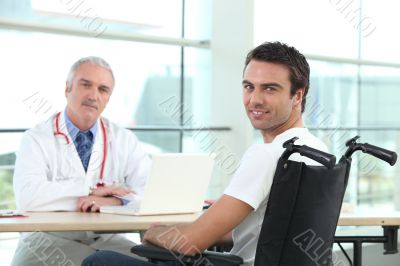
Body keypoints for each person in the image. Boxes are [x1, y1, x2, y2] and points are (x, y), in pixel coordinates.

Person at [82, 42, 328, 266]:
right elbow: (266, 231)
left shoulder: (268, 155)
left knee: (100, 260)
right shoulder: (319, 151)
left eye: (270, 89)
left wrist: (156, 232)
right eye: (248, 87)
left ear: (298, 95)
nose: (255, 99)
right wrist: (188, 230)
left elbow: (189, 243)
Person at [12, 56, 151, 266]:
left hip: (103, 239)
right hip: (46, 242)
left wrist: (114, 201)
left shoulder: (123, 139)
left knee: (150, 262)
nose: (93, 95)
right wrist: (88, 191)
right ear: (67, 88)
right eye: (86, 85)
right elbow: (28, 196)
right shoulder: (36, 138)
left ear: (108, 98)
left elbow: (150, 191)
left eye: (103, 89)